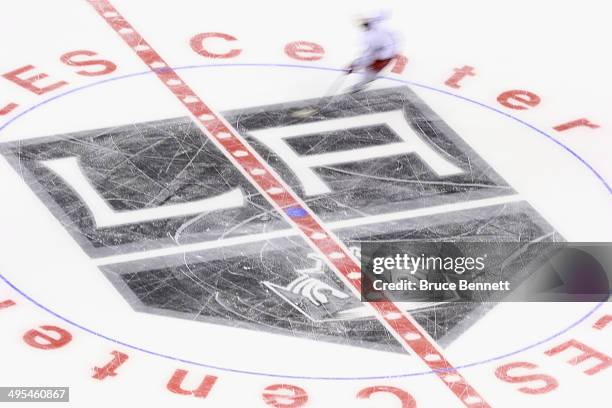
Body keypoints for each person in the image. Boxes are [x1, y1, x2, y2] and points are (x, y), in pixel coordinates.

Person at [348, 12, 399, 93]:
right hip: (387, 52)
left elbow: (367, 56)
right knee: (370, 70)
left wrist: (354, 65)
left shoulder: (371, 38)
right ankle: (364, 82)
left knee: (370, 72)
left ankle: (360, 85)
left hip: (383, 56)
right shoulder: (375, 26)